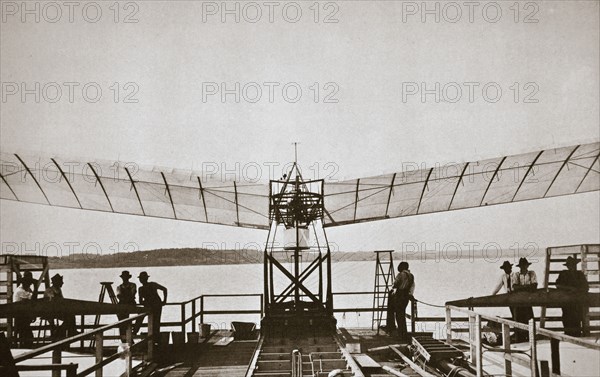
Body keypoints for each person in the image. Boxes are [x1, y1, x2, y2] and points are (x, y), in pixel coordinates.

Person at [556, 256, 589, 337]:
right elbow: (558, 285)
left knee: (577, 317)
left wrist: (577, 290)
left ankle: (577, 334)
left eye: (573, 265)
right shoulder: (563, 274)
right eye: (570, 265)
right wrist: (569, 289)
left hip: (577, 300)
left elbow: (586, 287)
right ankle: (567, 334)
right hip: (566, 300)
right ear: (567, 266)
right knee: (566, 317)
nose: (571, 266)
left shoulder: (579, 274)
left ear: (575, 265)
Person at [511, 258, 537, 342]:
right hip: (519, 302)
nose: (523, 267)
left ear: (527, 266)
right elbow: (514, 287)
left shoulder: (531, 273)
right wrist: (527, 288)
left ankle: (530, 337)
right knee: (519, 319)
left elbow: (534, 286)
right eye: (522, 266)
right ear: (520, 267)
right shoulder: (516, 275)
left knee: (529, 318)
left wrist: (521, 288)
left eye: (525, 266)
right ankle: (520, 338)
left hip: (528, 301)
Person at [137, 272, 167, 345]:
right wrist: (164, 301)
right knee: (154, 322)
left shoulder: (150, 285)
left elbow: (164, 289)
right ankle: (154, 340)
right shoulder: (142, 288)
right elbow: (164, 289)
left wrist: (164, 301)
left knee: (155, 322)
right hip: (153, 305)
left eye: (142, 278)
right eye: (141, 279)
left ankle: (154, 340)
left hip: (155, 305)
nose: (141, 280)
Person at [43, 274, 76, 338]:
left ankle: (66, 332)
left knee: (71, 316)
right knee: (69, 318)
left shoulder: (59, 290)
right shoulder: (49, 290)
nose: (62, 283)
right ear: (57, 282)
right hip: (50, 312)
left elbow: (62, 301)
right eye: (61, 282)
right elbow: (51, 302)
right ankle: (59, 332)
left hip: (58, 311)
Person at [390, 262, 415, 340]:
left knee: (398, 315)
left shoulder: (400, 275)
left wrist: (392, 288)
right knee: (402, 313)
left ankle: (401, 333)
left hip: (399, 295)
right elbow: (412, 286)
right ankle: (404, 333)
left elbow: (395, 284)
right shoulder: (411, 276)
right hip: (406, 296)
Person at [13, 271, 35, 347]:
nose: (30, 284)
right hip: (20, 316)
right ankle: (23, 346)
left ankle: (24, 345)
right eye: (29, 282)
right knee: (27, 335)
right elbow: (33, 299)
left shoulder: (27, 289)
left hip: (24, 315)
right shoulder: (20, 291)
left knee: (27, 335)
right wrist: (36, 287)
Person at [116, 271, 137, 342]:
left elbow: (132, 294)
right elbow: (119, 296)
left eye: (126, 277)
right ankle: (125, 339)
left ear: (128, 278)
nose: (124, 279)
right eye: (123, 277)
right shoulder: (119, 287)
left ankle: (127, 338)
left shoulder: (133, 285)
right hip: (123, 305)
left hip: (129, 304)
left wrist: (124, 298)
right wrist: (126, 298)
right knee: (122, 322)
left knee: (126, 322)